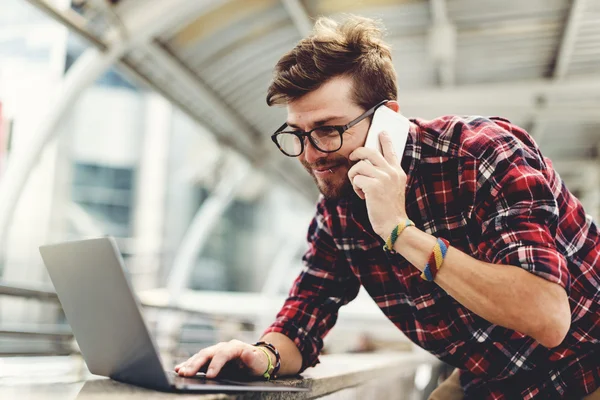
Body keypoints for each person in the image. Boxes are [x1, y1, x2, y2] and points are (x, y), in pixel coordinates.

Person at [175, 15, 600, 399]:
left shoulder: (483, 154)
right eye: (298, 134)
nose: (311, 155)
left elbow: (547, 316)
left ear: (386, 118)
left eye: (327, 130)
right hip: (495, 377)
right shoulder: (338, 211)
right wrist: (260, 356)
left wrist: (399, 230)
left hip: (584, 365)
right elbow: (303, 319)